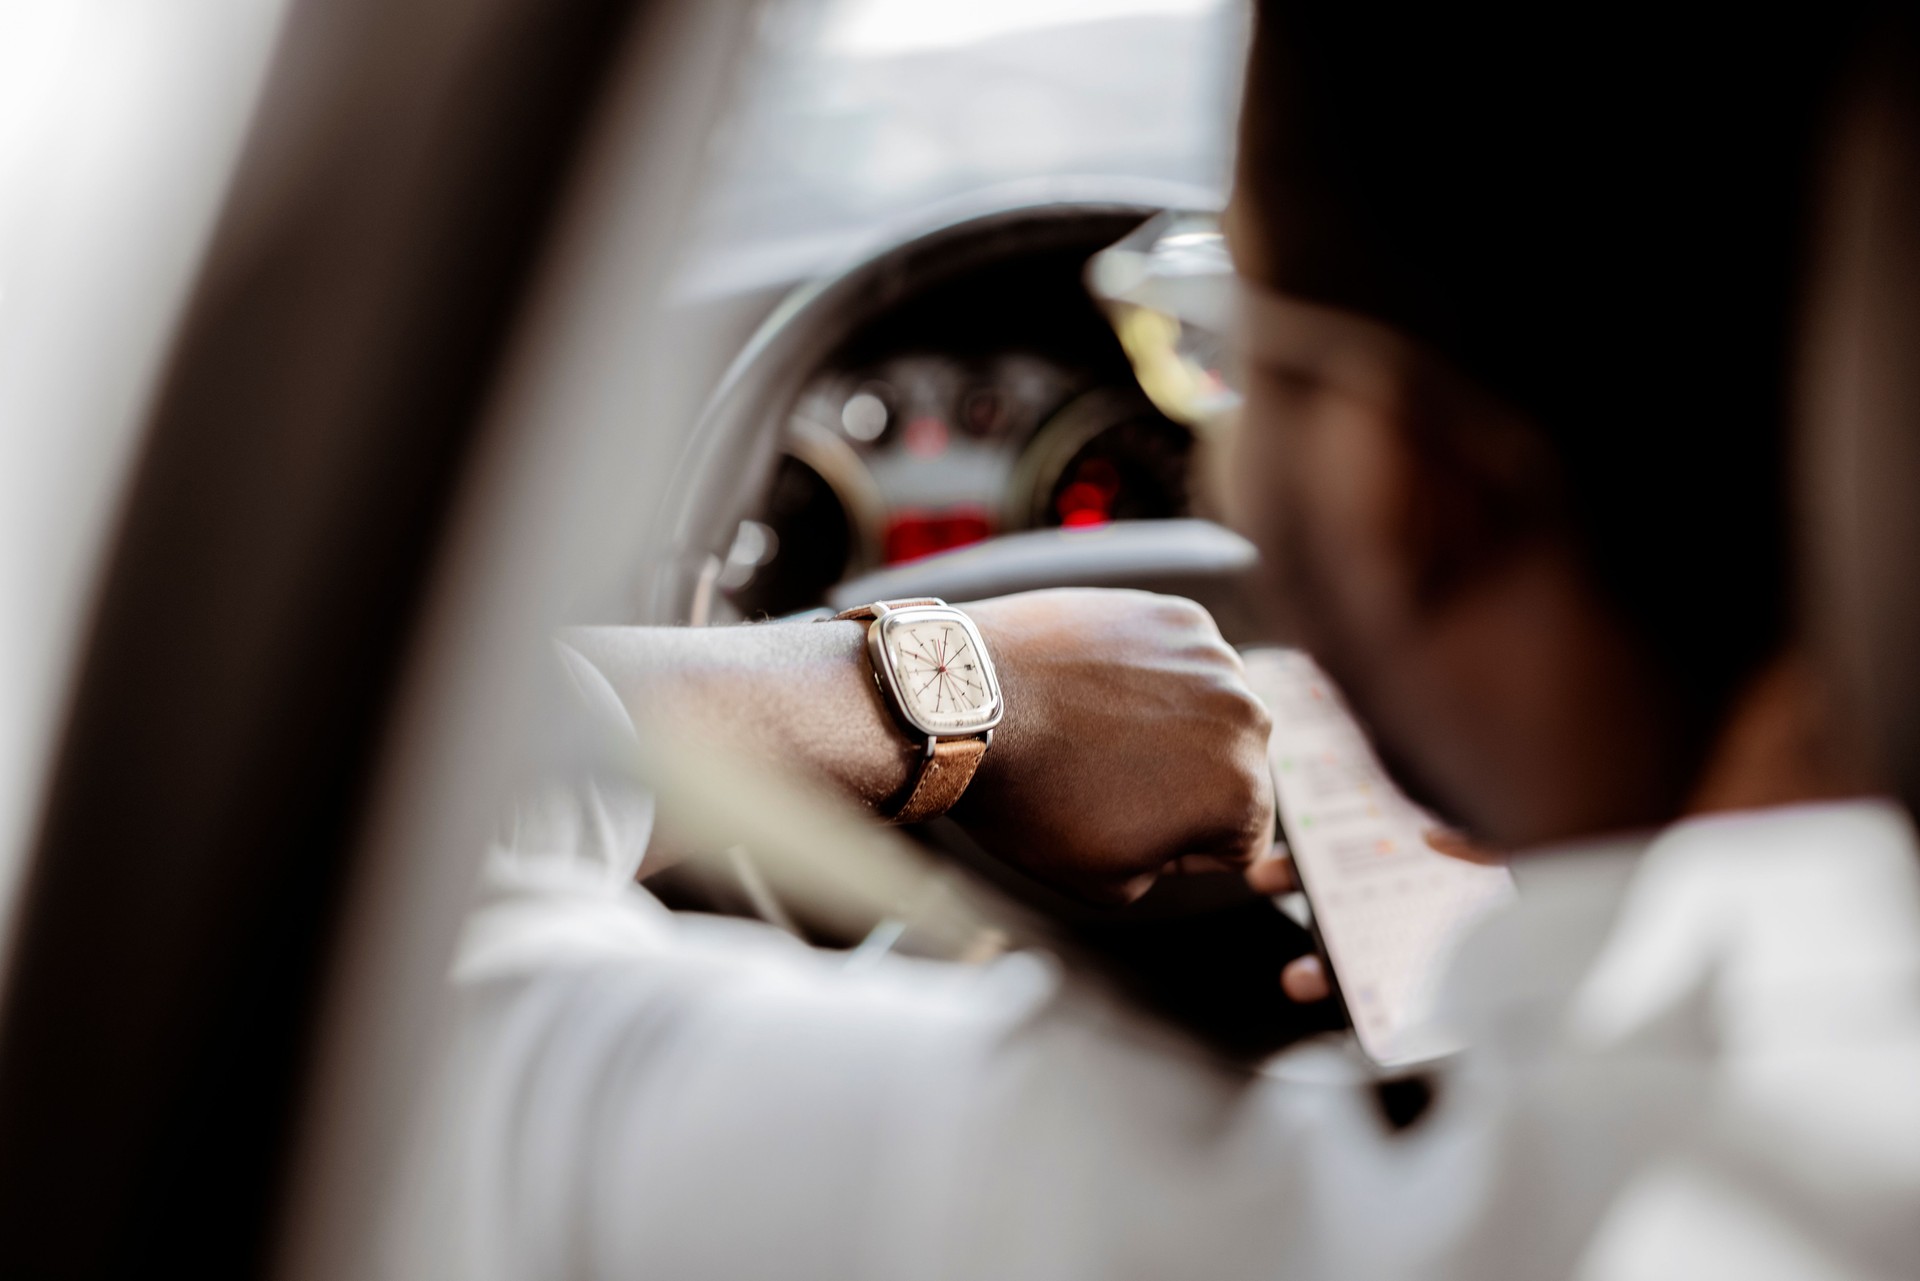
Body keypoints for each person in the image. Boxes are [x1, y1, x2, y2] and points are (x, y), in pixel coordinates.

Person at [392, 6, 1920, 1278]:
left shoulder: (1103, 1213)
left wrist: (925, 693)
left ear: (1412, 485)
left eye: (1214, 348)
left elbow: (386, 950)